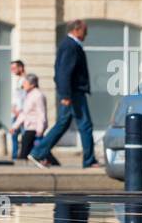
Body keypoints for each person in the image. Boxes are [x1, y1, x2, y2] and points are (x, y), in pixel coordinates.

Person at [30, 20, 97, 170]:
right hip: (74, 93)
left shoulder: (70, 45)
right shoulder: (70, 46)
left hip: (72, 92)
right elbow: (63, 72)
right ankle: (89, 160)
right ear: (76, 30)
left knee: (63, 124)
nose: (86, 34)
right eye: (85, 30)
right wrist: (66, 95)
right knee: (85, 125)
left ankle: (39, 152)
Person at [9, 73, 47, 161]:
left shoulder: (38, 95)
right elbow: (24, 113)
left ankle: (21, 166)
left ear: (32, 84)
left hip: (34, 128)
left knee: (25, 151)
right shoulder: (28, 95)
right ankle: (53, 164)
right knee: (40, 151)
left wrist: (40, 129)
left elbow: (41, 113)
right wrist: (15, 126)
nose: (23, 85)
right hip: (28, 127)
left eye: (25, 83)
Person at [7, 59, 25, 159]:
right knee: (14, 135)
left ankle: (23, 155)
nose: (12, 70)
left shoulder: (25, 81)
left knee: (24, 135)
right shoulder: (18, 81)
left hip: (21, 114)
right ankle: (15, 156)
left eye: (14, 68)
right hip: (15, 113)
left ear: (21, 68)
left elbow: (24, 98)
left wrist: (20, 111)